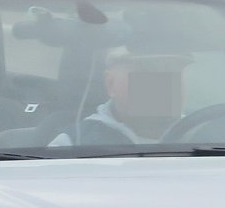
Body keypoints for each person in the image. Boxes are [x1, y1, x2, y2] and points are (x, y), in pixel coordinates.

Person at [49, 45, 193, 146]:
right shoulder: (73, 144)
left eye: (172, 72)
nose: (162, 83)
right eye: (145, 71)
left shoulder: (204, 133)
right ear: (110, 83)